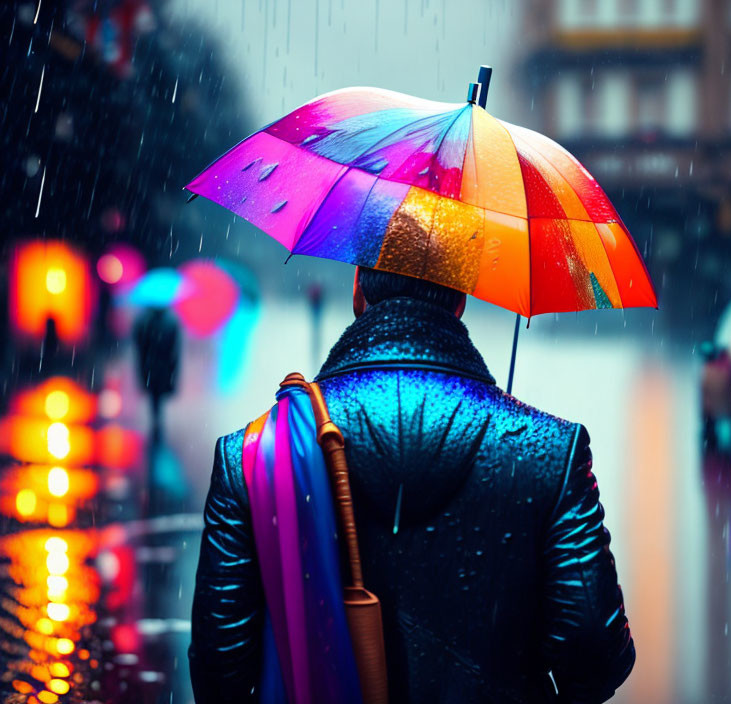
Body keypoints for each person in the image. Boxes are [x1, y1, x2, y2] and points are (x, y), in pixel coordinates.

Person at [189, 267, 635, 703]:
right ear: (460, 300)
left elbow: (219, 668)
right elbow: (596, 654)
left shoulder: (256, 456)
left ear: (357, 291)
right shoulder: (554, 452)